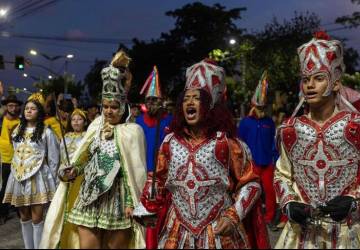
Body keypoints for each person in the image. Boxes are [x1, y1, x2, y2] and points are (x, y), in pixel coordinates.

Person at [134, 59, 269, 249]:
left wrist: (234, 215)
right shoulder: (169, 142)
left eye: (196, 98)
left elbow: (251, 183)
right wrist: (147, 207)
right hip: (177, 231)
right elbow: (157, 179)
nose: (189, 102)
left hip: (219, 231)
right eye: (186, 98)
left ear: (210, 105)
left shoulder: (229, 144)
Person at [42, 50, 147, 249]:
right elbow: (86, 156)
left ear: (123, 107)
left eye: (114, 107)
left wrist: (130, 203)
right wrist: (75, 170)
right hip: (88, 198)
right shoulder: (95, 126)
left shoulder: (133, 131)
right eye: (105, 106)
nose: (108, 111)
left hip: (118, 201)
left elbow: (133, 172)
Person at [274, 31, 360, 249]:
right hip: (302, 233)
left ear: (336, 84)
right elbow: (282, 174)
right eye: (306, 80)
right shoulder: (290, 129)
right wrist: (288, 202)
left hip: (349, 231)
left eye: (319, 78)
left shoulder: (356, 126)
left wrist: (354, 200)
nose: (310, 85)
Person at [2, 98, 60, 249]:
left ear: (39, 112)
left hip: (38, 178)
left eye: (33, 108)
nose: (28, 110)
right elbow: (16, 152)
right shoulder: (17, 130)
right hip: (19, 178)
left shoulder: (46, 132)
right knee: (24, 217)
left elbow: (54, 159)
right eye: (27, 108)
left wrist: (53, 181)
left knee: (37, 218)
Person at [135, 65, 172, 249]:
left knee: (161, 218)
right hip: (142, 174)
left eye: (155, 100)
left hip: (164, 177)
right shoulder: (137, 122)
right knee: (142, 218)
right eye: (149, 100)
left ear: (162, 101)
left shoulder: (170, 121)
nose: (152, 104)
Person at [40, 108, 88, 248]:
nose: (76, 122)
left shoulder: (88, 136)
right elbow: (61, 159)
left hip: (81, 179)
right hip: (65, 180)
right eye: (73, 119)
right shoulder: (65, 137)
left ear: (85, 122)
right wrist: (62, 173)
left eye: (79, 119)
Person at [238, 71, 278, 228]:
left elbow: (273, 141)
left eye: (263, 107)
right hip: (252, 163)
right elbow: (240, 143)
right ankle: (249, 217)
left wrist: (274, 158)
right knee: (250, 191)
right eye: (258, 107)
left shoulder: (269, 122)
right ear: (252, 106)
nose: (261, 110)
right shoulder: (245, 122)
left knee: (269, 191)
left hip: (267, 162)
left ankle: (269, 218)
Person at [0, 95, 22, 225]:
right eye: (10, 106)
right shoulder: (1, 121)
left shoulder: (21, 122)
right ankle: (3, 213)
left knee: (18, 186)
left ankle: (20, 211)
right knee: (4, 188)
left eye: (15, 106)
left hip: (19, 160)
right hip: (5, 160)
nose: (13, 108)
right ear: (6, 107)